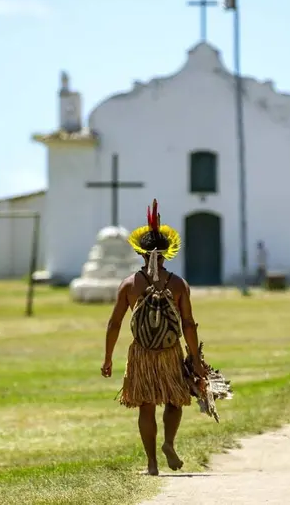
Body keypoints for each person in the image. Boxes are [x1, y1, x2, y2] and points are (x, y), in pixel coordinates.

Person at [102, 199, 207, 476]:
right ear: (166, 253)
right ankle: (169, 443)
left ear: (140, 252)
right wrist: (195, 360)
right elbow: (188, 324)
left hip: (142, 354)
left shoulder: (129, 285)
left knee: (146, 406)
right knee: (175, 400)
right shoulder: (178, 284)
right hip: (170, 351)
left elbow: (114, 324)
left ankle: (151, 463)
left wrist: (108, 358)